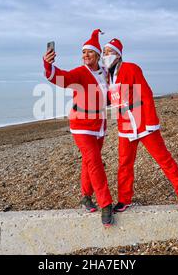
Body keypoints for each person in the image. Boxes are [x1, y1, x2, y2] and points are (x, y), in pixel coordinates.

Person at [102, 38, 178, 213]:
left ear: (118, 54)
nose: (105, 55)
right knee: (124, 164)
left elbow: (146, 94)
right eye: (103, 52)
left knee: (163, 159)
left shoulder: (131, 68)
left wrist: (151, 123)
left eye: (108, 52)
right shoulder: (108, 76)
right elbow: (112, 101)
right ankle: (124, 199)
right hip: (125, 127)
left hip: (143, 123)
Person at [43, 29, 114, 227]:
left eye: (89, 52)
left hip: (99, 125)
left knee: (88, 163)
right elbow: (61, 78)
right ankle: (106, 204)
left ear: (98, 55)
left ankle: (85, 196)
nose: (85, 56)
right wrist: (49, 65)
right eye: (83, 53)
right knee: (95, 162)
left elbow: (107, 98)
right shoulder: (80, 72)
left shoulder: (105, 74)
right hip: (81, 125)